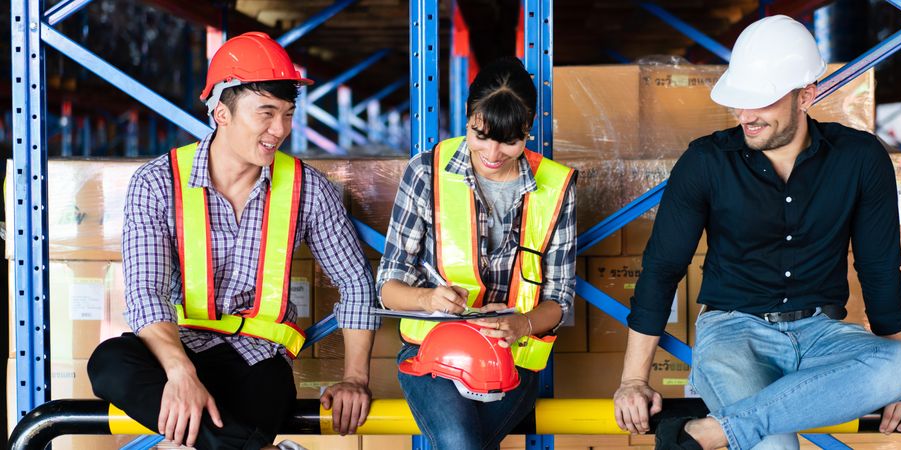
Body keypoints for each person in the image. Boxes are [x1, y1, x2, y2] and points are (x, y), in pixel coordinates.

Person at [612, 15, 901, 450]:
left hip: (821, 334)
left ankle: (710, 432)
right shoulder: (706, 161)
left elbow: (879, 269)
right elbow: (662, 269)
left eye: (760, 101)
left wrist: (899, 387)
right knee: (775, 446)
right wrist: (632, 379)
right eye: (739, 101)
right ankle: (740, 427)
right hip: (732, 334)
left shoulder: (859, 158)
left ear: (807, 95)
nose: (745, 115)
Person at [87, 32, 379, 450]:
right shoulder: (157, 183)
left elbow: (354, 282)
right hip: (178, 344)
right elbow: (146, 292)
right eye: (266, 113)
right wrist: (181, 374)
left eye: (287, 114)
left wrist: (354, 377)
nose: (280, 129)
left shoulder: (307, 189)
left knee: (258, 400)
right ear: (221, 113)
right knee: (109, 364)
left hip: (257, 360)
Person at [377, 56, 578, 450]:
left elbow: (560, 300)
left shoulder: (556, 186)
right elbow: (387, 285)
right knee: (460, 441)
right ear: (468, 117)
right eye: (480, 134)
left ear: (528, 128)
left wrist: (521, 324)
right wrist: (427, 298)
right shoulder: (426, 172)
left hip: (511, 356)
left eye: (509, 140)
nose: (493, 152)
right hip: (431, 351)